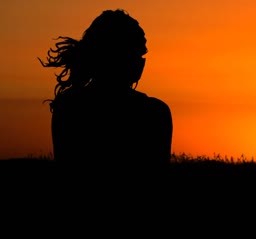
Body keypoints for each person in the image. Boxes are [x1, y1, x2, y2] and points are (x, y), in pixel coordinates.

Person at [39, 9, 172, 173]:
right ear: (110, 55)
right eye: (134, 53)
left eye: (141, 54)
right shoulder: (154, 113)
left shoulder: (69, 106)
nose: (140, 62)